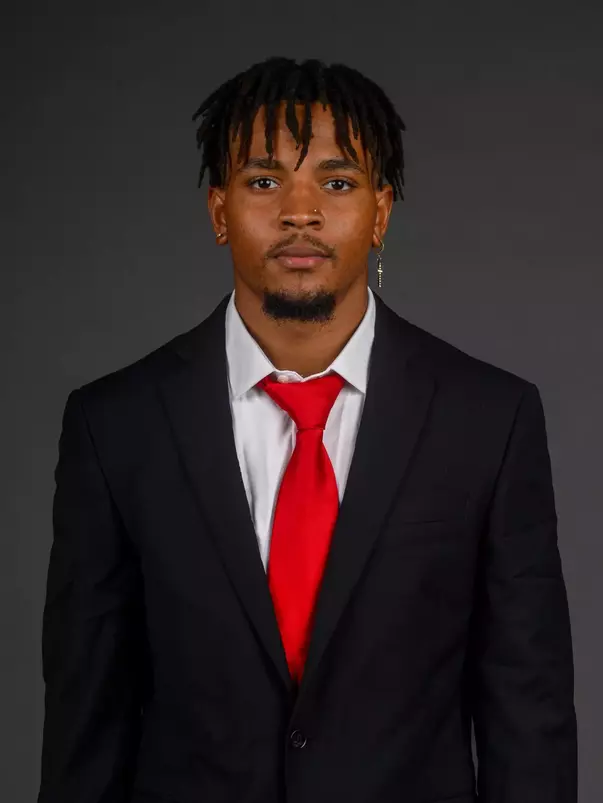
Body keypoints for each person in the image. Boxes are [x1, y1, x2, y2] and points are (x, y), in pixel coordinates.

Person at [38, 56, 577, 803]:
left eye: (336, 181)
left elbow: (529, 715)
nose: (299, 210)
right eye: (263, 181)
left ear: (380, 212)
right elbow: (83, 723)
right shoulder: (115, 425)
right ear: (219, 210)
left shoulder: (488, 418)